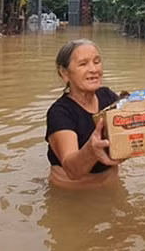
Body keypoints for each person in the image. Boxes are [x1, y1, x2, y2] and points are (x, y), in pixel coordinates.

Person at [45, 39, 121, 189]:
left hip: (111, 185)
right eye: (83, 64)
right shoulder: (60, 113)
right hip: (72, 194)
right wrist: (91, 151)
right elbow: (72, 170)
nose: (94, 69)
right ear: (64, 73)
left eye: (97, 62)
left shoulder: (108, 97)